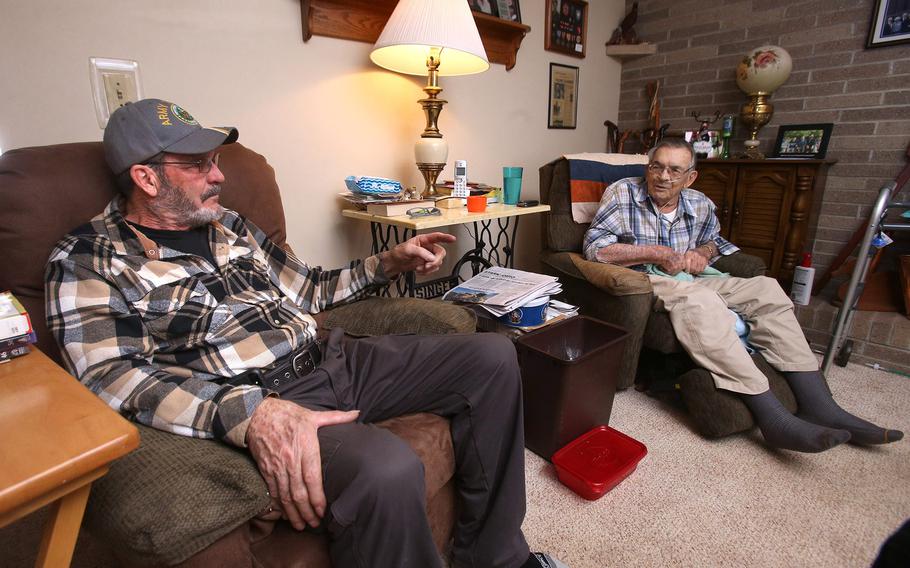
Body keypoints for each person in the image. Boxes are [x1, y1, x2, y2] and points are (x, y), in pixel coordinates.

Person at [45, 99, 566, 568]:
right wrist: (251, 414)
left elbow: (309, 289)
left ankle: (497, 558)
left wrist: (388, 262)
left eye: (216, 160)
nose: (218, 175)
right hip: (263, 397)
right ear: (147, 178)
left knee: (494, 356)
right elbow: (108, 376)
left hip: (329, 357)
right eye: (199, 164)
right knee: (386, 469)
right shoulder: (88, 258)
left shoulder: (228, 225)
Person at [582, 137, 903, 453]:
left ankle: (820, 404)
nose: (663, 177)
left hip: (696, 275)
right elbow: (595, 249)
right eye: (657, 167)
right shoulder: (623, 193)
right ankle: (773, 418)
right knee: (701, 302)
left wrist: (702, 253)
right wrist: (655, 253)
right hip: (646, 276)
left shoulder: (700, 203)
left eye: (675, 170)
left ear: (690, 176)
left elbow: (715, 243)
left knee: (767, 290)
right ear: (648, 168)